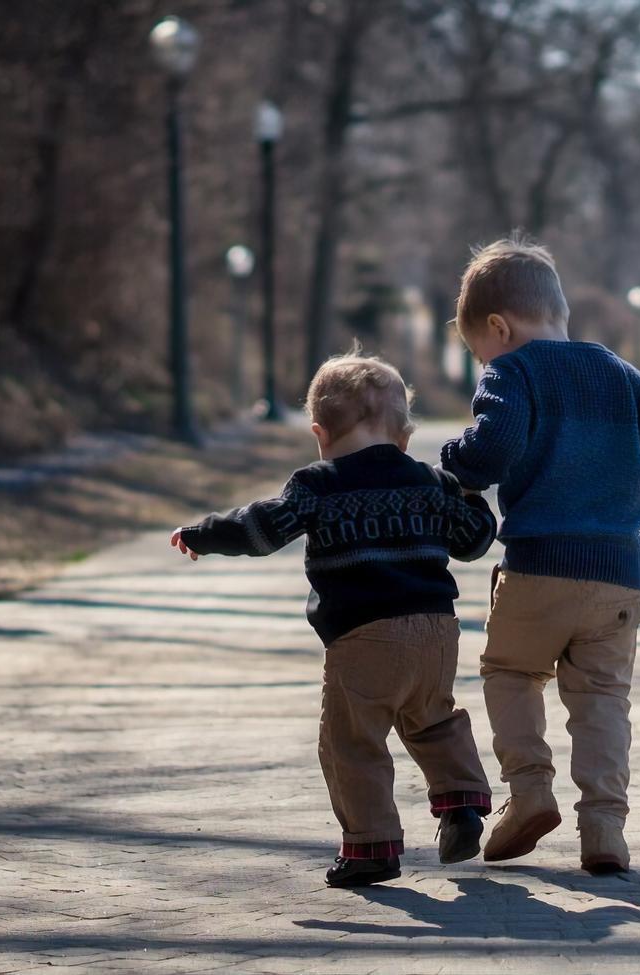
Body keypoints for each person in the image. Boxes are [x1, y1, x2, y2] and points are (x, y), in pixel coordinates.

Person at [171, 349, 496, 888]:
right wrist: (472, 495)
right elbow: (473, 541)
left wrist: (205, 534)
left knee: (352, 741)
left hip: (363, 635)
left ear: (319, 433)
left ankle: (371, 847)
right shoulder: (428, 481)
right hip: (436, 631)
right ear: (404, 435)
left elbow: (261, 530)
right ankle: (461, 804)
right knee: (433, 719)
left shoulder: (317, 485)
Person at [441, 234, 640, 874]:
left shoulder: (512, 372)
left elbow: (490, 452)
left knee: (511, 672)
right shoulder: (628, 378)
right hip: (619, 575)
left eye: (479, 351)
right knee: (603, 699)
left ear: (500, 327)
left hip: (539, 567)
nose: (483, 361)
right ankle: (605, 829)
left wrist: (454, 461)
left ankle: (528, 792)